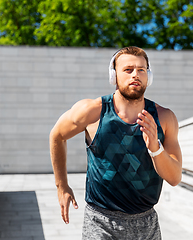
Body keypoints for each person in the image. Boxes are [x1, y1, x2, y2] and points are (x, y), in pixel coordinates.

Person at [49, 46, 182, 239]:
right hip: (100, 221)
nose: (135, 74)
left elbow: (174, 177)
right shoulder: (92, 111)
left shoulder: (164, 118)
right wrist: (62, 185)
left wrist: (155, 147)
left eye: (141, 70)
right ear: (114, 76)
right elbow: (57, 135)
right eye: (128, 70)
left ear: (148, 76)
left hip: (146, 223)